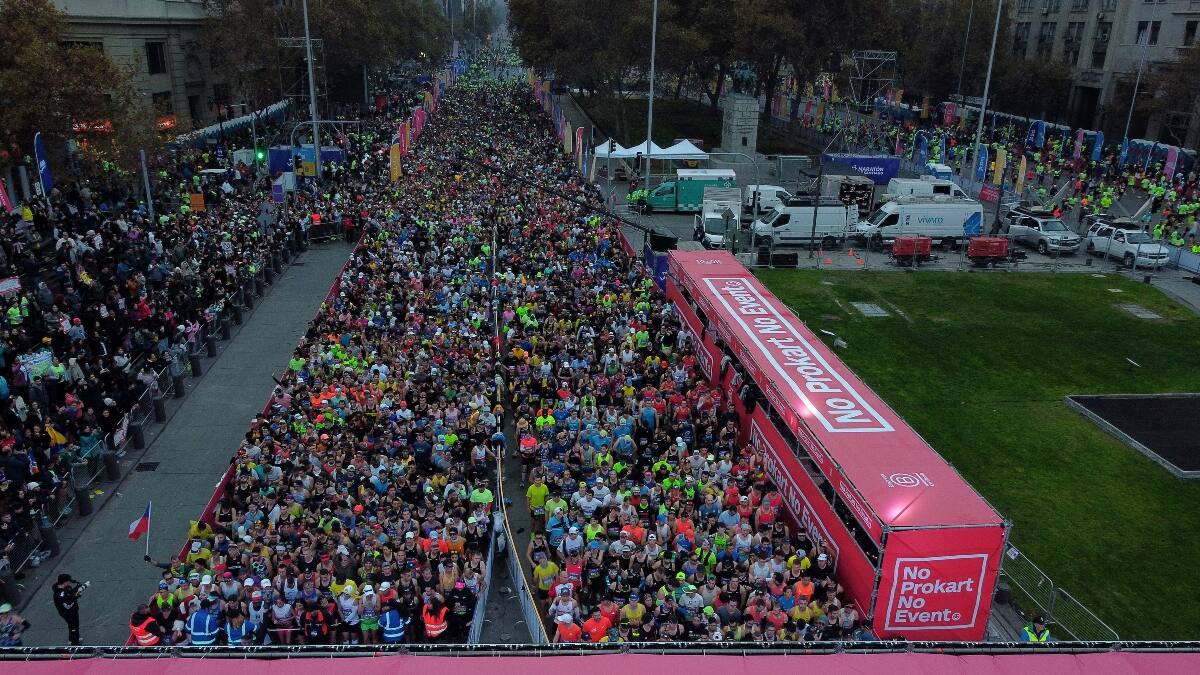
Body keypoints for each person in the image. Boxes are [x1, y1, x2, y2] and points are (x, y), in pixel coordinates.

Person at [52, 573, 85, 646]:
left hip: (73, 610)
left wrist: (78, 588)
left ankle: (72, 639)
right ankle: (74, 643)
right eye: (69, 581)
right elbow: (68, 605)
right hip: (67, 613)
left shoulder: (67, 587)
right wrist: (76, 597)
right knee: (73, 626)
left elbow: (71, 593)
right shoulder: (59, 595)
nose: (70, 582)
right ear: (65, 582)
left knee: (74, 625)